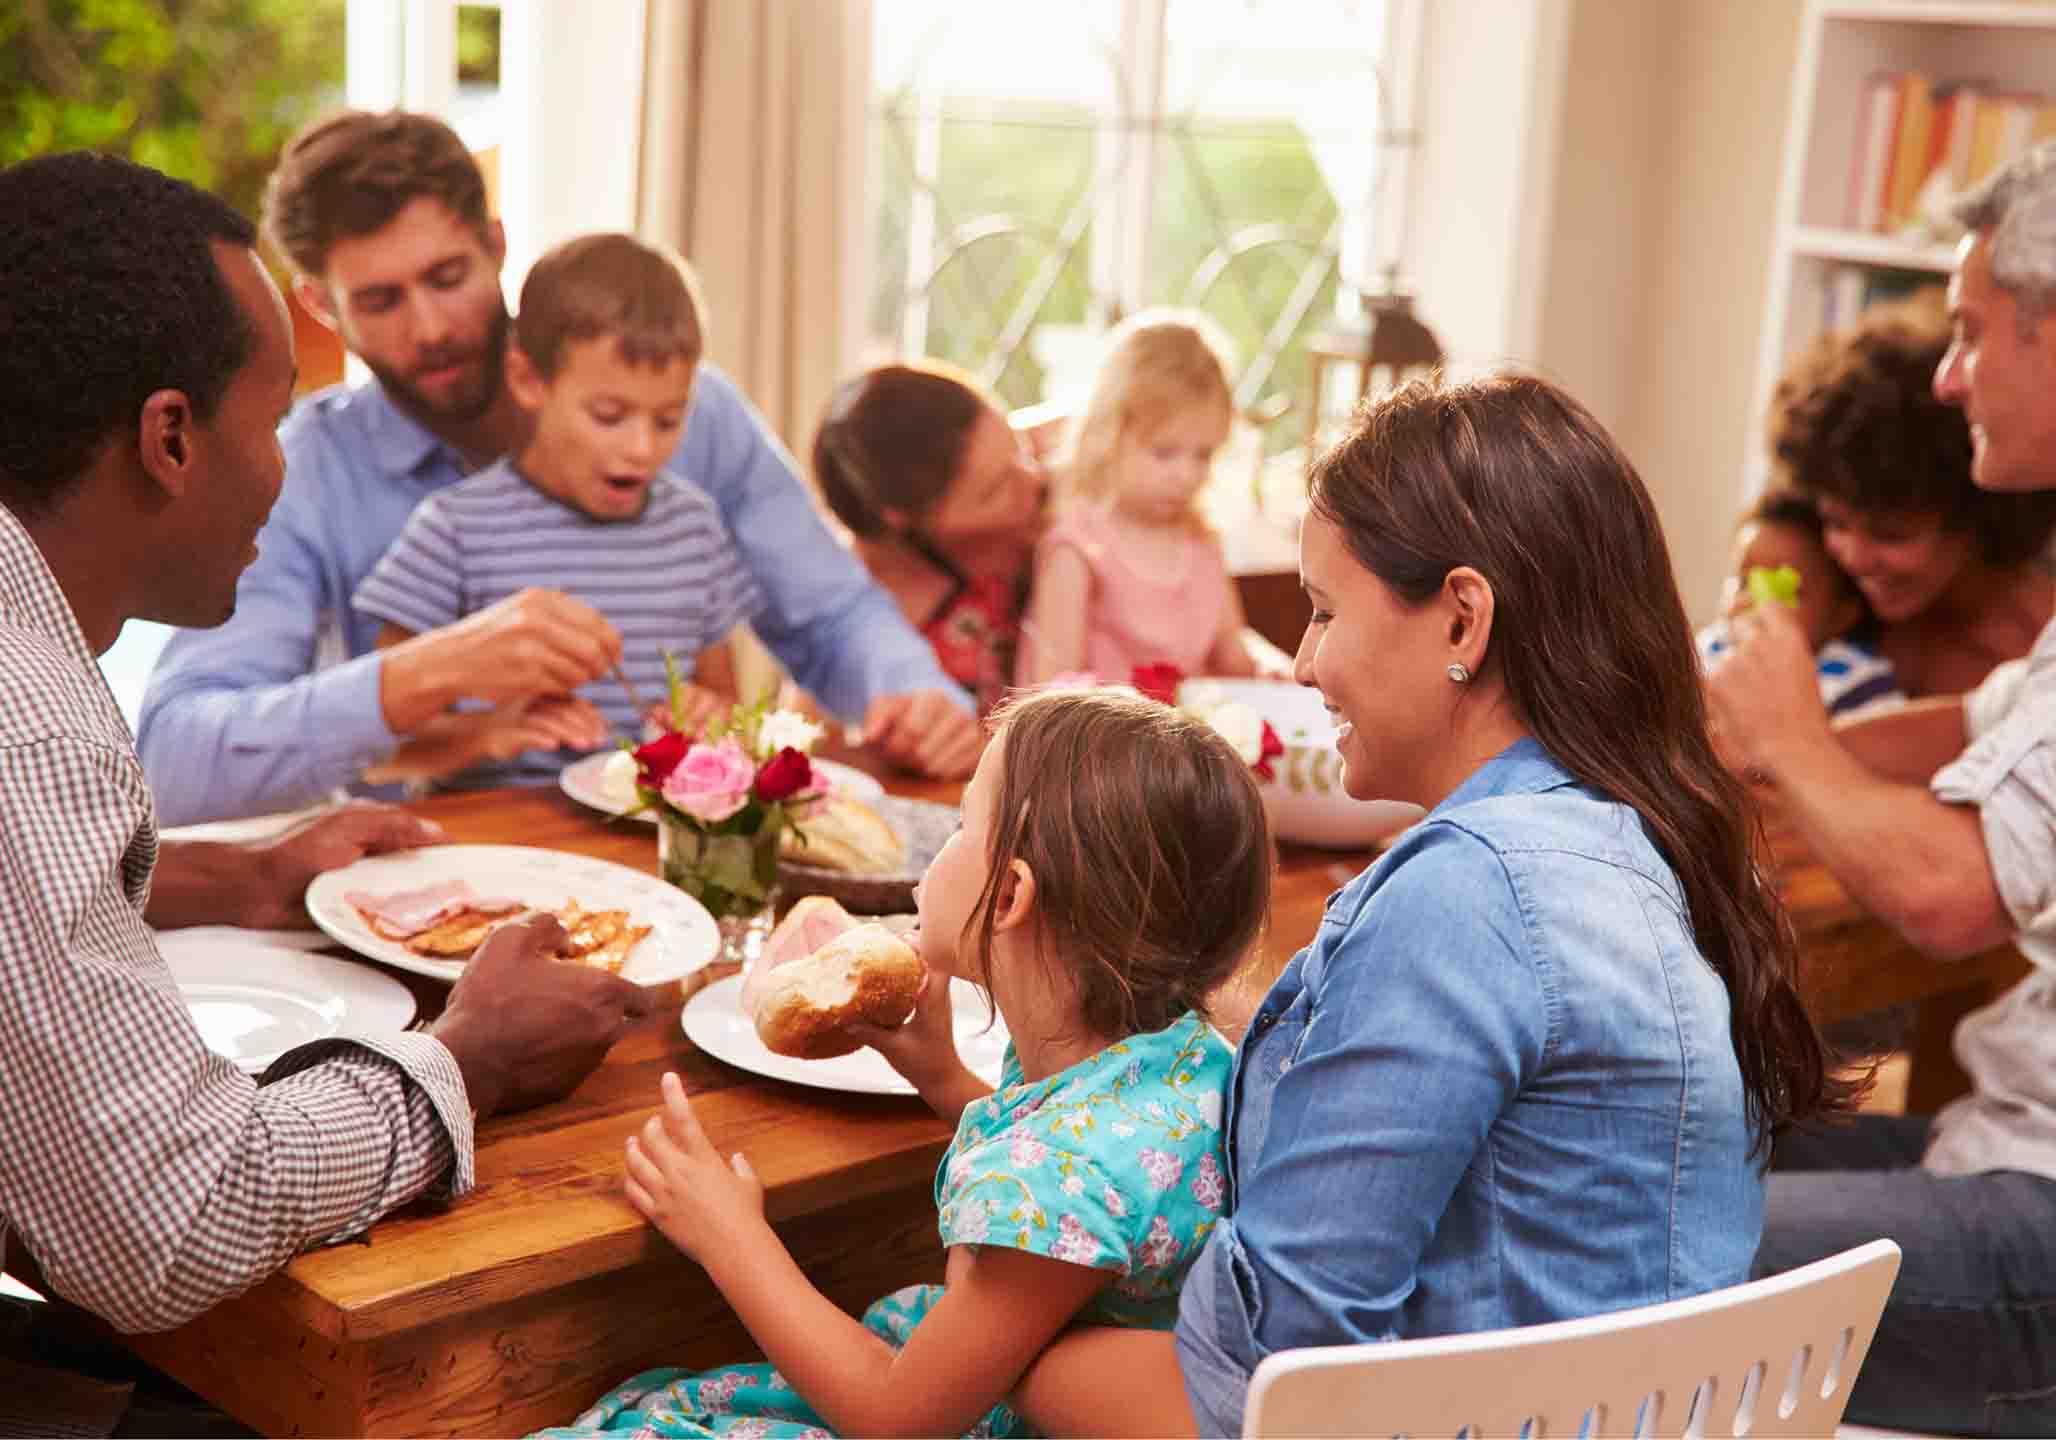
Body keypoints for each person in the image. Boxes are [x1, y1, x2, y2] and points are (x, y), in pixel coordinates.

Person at [1001, 372, 1849, 1438]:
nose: (1302, 663)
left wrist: (1019, 1361)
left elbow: (1278, 1361)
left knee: (980, 1353)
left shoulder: (1470, 894)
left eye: (1321, 611)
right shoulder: (1636, 837)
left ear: (1461, 619)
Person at [0, 150, 651, 1430]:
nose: (290, 465)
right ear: (171, 436)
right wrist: (463, 1059)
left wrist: (234, 874)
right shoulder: (27, 722)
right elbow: (168, 1220)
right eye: (278, 411)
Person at [136, 110, 982, 825]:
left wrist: (919, 702)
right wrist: (420, 675)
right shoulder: (314, 466)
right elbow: (173, 760)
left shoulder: (692, 413)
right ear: (321, 305)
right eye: (382, 300)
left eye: (447, 276)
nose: (429, 328)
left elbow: (830, 616)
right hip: (446, 875)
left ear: (496, 245)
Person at [540, 685, 1273, 1438]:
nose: (939, 849)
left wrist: (730, 1236)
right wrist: (944, 1079)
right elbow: (1101, 1188)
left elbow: (895, 1417)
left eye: (961, 826)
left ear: (1011, 895)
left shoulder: (1061, 1177)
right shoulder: (1177, 1055)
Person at [1709, 140, 2056, 1435]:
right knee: (1627, 1155)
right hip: (2003, 1159)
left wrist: (1798, 740)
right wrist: (1744, 733)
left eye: (1972, 334)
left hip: (2041, 1225)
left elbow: (1953, 900)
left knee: (1611, 1253)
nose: (1951, 371)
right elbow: (1977, 724)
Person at [353, 232, 757, 789]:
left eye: (668, 420)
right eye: (609, 415)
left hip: (641, 848)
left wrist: (710, 719)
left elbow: (726, 703)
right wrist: (488, 733)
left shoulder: (694, 528)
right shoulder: (456, 530)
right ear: (527, 380)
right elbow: (374, 750)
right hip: (497, 846)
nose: (642, 448)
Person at [1763, 290, 2055, 698]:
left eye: (1891, 533)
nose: (1855, 557)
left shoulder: (2042, 636)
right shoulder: (1837, 630)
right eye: (1836, 522)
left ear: (1973, 517)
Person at [1017, 310, 1279, 687]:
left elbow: (1232, 650)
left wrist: (1269, 665)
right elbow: (1052, 688)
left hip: (1186, 738)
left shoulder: (1201, 541)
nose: (1186, 474)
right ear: (1108, 435)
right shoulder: (1078, 547)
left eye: (1202, 454)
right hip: (1096, 741)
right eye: (1164, 452)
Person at [811, 361, 1046, 713]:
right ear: (905, 518)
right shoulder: (864, 606)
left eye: (1020, 448)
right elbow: (809, 739)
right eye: (994, 491)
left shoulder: (1069, 452)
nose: (1035, 479)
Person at [1697, 487, 1903, 720]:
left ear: (1843, 614)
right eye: (1745, 581)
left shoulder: (1856, 682)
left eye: (1784, 591)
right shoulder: (1708, 650)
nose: (1754, 602)